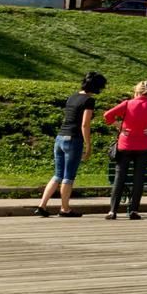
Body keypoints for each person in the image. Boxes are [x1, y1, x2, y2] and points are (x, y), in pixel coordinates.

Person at [101, 80, 147, 220]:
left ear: (135, 91)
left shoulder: (128, 104)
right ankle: (134, 210)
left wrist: (120, 126)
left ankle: (112, 210)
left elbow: (107, 115)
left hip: (126, 145)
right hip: (144, 145)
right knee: (138, 178)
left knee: (120, 177)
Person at [37, 71, 105, 217]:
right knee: (68, 176)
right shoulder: (88, 100)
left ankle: (42, 205)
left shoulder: (72, 97)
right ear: (96, 87)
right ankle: (65, 208)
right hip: (73, 140)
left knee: (57, 175)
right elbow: (85, 124)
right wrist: (88, 145)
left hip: (60, 137)